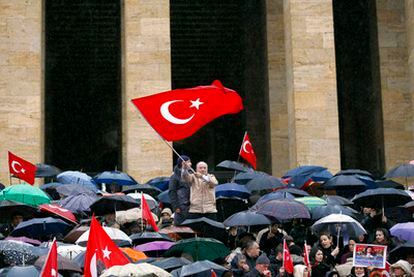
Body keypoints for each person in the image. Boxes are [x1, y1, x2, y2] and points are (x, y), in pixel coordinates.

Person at [169, 155, 191, 225]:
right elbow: (172, 192)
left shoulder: (191, 174)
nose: (190, 164)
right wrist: (176, 207)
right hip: (181, 206)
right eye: (189, 162)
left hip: (191, 206)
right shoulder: (175, 176)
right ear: (183, 163)